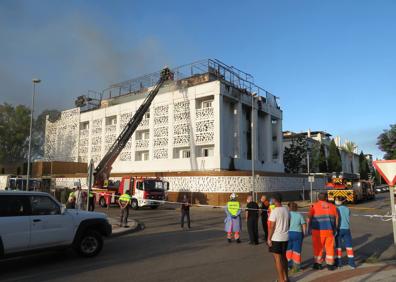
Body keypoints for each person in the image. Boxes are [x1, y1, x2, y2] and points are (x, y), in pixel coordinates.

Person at [308, 192, 339, 271]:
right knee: (329, 247)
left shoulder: (314, 206)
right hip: (329, 230)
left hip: (317, 231)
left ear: (318, 198)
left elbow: (309, 218)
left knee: (318, 247)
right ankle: (330, 264)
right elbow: (337, 218)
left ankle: (318, 264)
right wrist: (335, 228)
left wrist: (309, 228)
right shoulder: (333, 206)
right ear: (326, 198)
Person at [268, 193, 290, 282]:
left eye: (272, 199)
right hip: (285, 237)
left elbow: (272, 226)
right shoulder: (286, 209)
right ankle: (286, 278)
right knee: (284, 257)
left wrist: (269, 238)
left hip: (276, 238)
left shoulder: (275, 211)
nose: (271, 201)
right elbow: (289, 222)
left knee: (277, 259)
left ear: (275, 200)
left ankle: (281, 280)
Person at [334, 196, 356, 269]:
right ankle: (352, 264)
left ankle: (339, 264)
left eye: (336, 199)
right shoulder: (347, 209)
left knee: (338, 247)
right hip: (347, 229)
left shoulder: (336, 209)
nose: (335, 201)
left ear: (340, 201)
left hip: (339, 229)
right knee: (349, 247)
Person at [286, 202, 306, 272]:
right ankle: (296, 267)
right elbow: (303, 225)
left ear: (289, 208)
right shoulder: (299, 215)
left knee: (288, 250)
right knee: (297, 251)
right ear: (297, 208)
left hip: (288, 233)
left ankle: (288, 265)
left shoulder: (287, 215)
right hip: (298, 233)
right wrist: (304, 233)